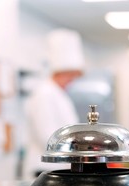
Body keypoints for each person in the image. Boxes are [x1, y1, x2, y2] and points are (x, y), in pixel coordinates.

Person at [24, 29, 84, 178]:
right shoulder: (44, 93)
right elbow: (47, 135)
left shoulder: (59, 94)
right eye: (71, 76)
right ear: (61, 72)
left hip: (60, 166)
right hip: (44, 167)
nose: (72, 81)